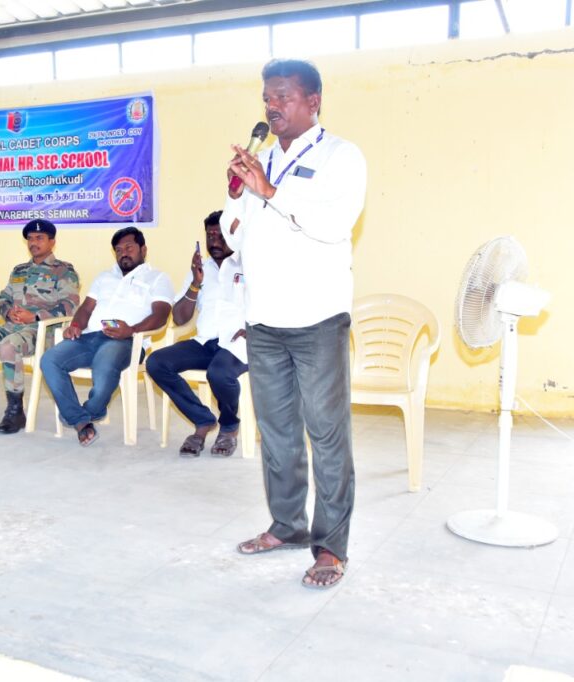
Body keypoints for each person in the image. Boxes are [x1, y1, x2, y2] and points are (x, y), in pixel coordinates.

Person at [222, 59, 367, 589]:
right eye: (267, 97)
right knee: (278, 433)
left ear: (313, 101)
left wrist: (271, 192)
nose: (272, 106)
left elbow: (333, 224)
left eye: (283, 96)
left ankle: (331, 546)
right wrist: (236, 196)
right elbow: (233, 238)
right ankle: (287, 526)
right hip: (264, 319)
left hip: (317, 318)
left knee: (326, 436)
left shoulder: (341, 157)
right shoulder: (259, 160)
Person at [39, 226, 172, 447]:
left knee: (105, 360)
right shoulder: (104, 276)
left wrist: (131, 330)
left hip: (127, 341)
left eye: (129, 247)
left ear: (143, 249)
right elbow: (86, 308)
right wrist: (75, 325)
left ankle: (88, 413)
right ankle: (81, 421)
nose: (123, 253)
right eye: (118, 250)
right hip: (90, 337)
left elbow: (161, 315)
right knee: (49, 359)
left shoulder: (158, 278)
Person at [0, 219, 79, 434]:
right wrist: (8, 311)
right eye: (30, 238)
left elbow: (69, 306)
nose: (33, 242)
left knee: (8, 345)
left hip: (42, 331)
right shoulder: (19, 270)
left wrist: (35, 316)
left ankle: (15, 411)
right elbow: (3, 297)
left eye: (39, 238)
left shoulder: (64, 271)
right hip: (11, 326)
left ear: (52, 242)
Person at [145, 210, 248, 458]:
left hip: (239, 343)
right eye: (210, 236)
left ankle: (229, 426)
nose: (215, 241)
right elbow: (180, 318)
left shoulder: (250, 263)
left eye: (220, 235)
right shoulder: (201, 270)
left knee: (219, 373)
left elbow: (271, 303)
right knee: (156, 362)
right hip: (205, 342)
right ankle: (203, 420)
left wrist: (254, 328)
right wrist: (195, 282)